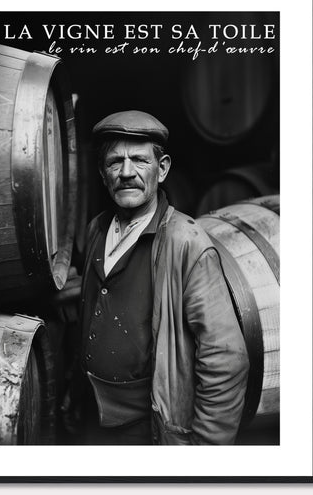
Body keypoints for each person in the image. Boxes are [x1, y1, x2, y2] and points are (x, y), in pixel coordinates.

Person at [69, 110, 249, 445]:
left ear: (162, 169)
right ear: (101, 172)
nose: (126, 172)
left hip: (148, 429)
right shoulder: (96, 228)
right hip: (90, 420)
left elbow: (226, 358)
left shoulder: (186, 242)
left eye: (139, 160)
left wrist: (206, 452)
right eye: (114, 162)